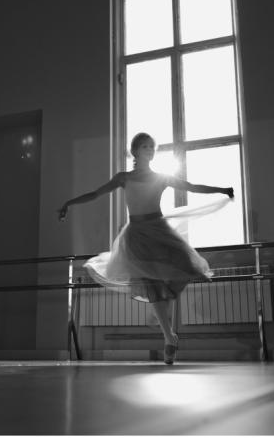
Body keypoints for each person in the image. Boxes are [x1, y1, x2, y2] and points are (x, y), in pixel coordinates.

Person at [58, 132, 234, 364]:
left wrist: (221, 190)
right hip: (137, 236)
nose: (150, 150)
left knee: (184, 268)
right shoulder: (124, 177)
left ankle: (162, 319)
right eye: (145, 146)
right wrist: (68, 203)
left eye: (152, 147)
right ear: (135, 151)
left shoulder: (161, 177)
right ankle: (169, 337)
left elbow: (191, 186)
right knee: (152, 285)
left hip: (159, 231)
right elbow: (95, 193)